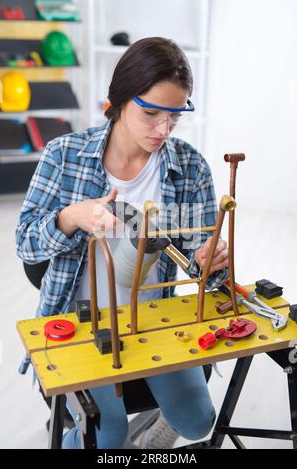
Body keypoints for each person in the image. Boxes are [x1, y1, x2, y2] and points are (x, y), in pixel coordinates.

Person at [16, 37, 229, 449]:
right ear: (118, 100)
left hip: (151, 317)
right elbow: (25, 244)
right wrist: (70, 217)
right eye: (151, 113)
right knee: (106, 436)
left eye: (175, 117)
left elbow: (197, 252)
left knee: (199, 422)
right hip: (79, 326)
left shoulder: (190, 167)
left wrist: (208, 258)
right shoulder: (64, 156)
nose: (163, 130)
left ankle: (145, 435)